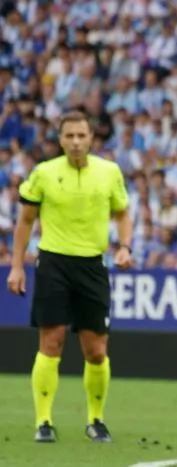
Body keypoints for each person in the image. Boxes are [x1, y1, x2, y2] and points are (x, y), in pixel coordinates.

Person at [6, 110, 134, 443]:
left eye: (81, 136)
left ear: (91, 138)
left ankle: (96, 419)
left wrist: (126, 246)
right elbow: (25, 222)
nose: (76, 142)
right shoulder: (44, 173)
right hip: (53, 264)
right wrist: (17, 266)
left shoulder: (109, 172)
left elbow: (122, 212)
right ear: (60, 139)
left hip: (93, 265)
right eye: (69, 136)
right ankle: (43, 421)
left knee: (96, 350)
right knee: (51, 343)